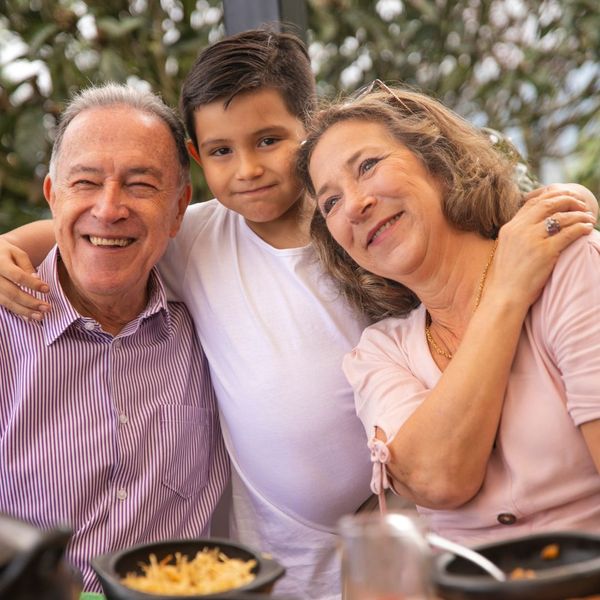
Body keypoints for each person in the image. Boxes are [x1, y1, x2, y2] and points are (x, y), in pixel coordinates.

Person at [0, 32, 597, 598]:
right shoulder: (199, 234)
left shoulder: (360, 238)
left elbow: (471, 235)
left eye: (268, 141)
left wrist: (548, 219)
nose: (249, 169)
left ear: (309, 135)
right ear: (197, 162)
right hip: (276, 558)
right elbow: (92, 225)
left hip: (398, 542)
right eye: (220, 152)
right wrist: (10, 248)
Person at [296, 82, 600, 547]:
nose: (355, 205)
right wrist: (505, 295)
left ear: (438, 163)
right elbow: (436, 480)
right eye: (331, 201)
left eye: (369, 166)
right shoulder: (380, 351)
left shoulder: (571, 266)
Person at [0, 83, 229, 593]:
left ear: (178, 208)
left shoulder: (211, 320)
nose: (109, 208)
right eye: (85, 182)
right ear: (52, 196)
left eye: (141, 185)